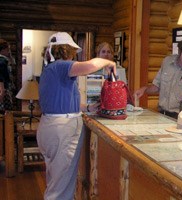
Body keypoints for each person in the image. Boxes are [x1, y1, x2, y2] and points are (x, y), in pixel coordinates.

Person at [37, 32, 116, 200]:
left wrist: (86, 107)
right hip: (62, 129)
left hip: (50, 125)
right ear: (67, 50)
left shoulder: (50, 70)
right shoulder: (61, 66)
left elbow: (61, 101)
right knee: (60, 189)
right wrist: (107, 62)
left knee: (56, 182)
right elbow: (88, 66)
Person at [134, 37, 182, 119]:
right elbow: (156, 87)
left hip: (181, 117)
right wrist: (144, 89)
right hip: (161, 114)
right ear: (179, 52)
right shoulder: (167, 62)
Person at [0, 39, 16, 112]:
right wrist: (3, 89)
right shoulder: (2, 61)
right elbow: (1, 76)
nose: (9, 51)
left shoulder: (5, 60)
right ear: (3, 49)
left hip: (5, 86)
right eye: (8, 49)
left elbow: (13, 63)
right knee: (6, 109)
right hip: (3, 87)